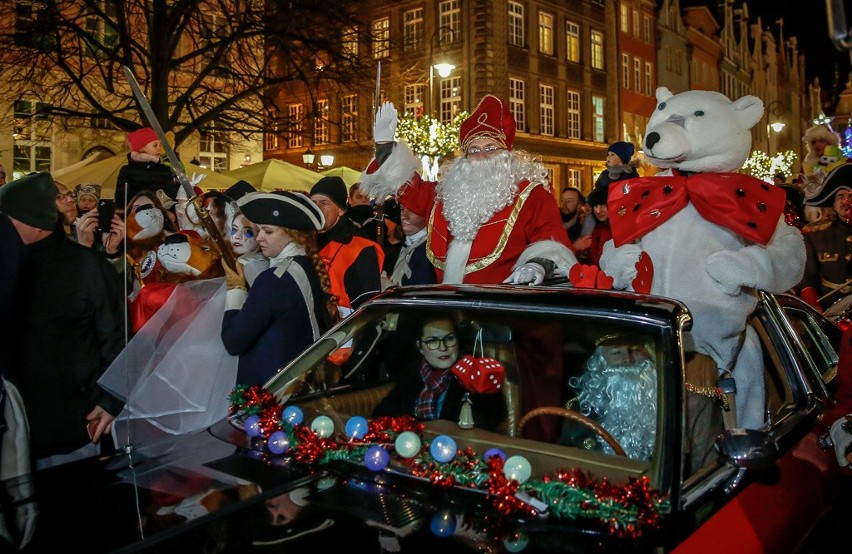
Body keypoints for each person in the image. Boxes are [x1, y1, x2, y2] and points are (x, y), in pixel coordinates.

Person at [360, 96, 575, 285]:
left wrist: (538, 264)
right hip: (451, 309)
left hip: (503, 311)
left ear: (506, 153)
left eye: (490, 148)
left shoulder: (532, 196)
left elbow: (551, 240)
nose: (481, 156)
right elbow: (407, 187)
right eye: (474, 150)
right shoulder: (445, 194)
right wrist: (385, 146)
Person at [0, 172, 126, 468]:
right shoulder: (7, 263)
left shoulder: (85, 267)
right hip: (13, 432)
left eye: (6, 216)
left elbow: (117, 337)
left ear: (31, 219)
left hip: (70, 430)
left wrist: (110, 401)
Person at [221, 190, 337, 386]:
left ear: (293, 235)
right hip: (301, 381)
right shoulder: (306, 265)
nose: (259, 238)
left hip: (273, 390)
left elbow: (233, 341)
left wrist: (236, 289)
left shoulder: (274, 280)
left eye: (268, 231)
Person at [373, 317, 506, 430]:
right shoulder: (411, 373)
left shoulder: (474, 371)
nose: (443, 347)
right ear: (420, 347)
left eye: (449, 338)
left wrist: (477, 390)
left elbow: (486, 424)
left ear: (458, 341)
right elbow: (381, 414)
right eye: (432, 341)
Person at [562, 333, 658, 461]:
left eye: (635, 350)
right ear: (600, 363)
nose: (627, 359)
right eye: (616, 352)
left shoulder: (675, 406)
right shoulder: (577, 414)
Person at [310, 176, 384, 318]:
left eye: (324, 203)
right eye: (313, 204)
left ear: (341, 210)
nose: (317, 209)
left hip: (342, 332)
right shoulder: (306, 241)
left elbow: (367, 306)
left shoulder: (360, 247)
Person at [797, 163, 852, 311]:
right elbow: (808, 276)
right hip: (830, 314)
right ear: (833, 203)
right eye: (841, 196)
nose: (846, 202)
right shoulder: (816, 234)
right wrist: (813, 304)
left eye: (851, 196)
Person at [114, 127, 180, 209]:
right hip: (133, 215)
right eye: (155, 145)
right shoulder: (127, 170)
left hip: (162, 214)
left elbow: (173, 195)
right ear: (142, 148)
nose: (159, 148)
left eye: (160, 145)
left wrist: (172, 211)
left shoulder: (164, 169)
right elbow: (120, 197)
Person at [384, 198, 437, 288]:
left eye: (413, 211)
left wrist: (386, 285)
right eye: (402, 209)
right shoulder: (403, 245)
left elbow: (419, 294)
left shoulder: (429, 250)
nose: (404, 216)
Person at [584, 186, 612, 267]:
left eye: (603, 205)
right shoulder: (595, 229)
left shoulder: (614, 230)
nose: (599, 211)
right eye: (596, 206)